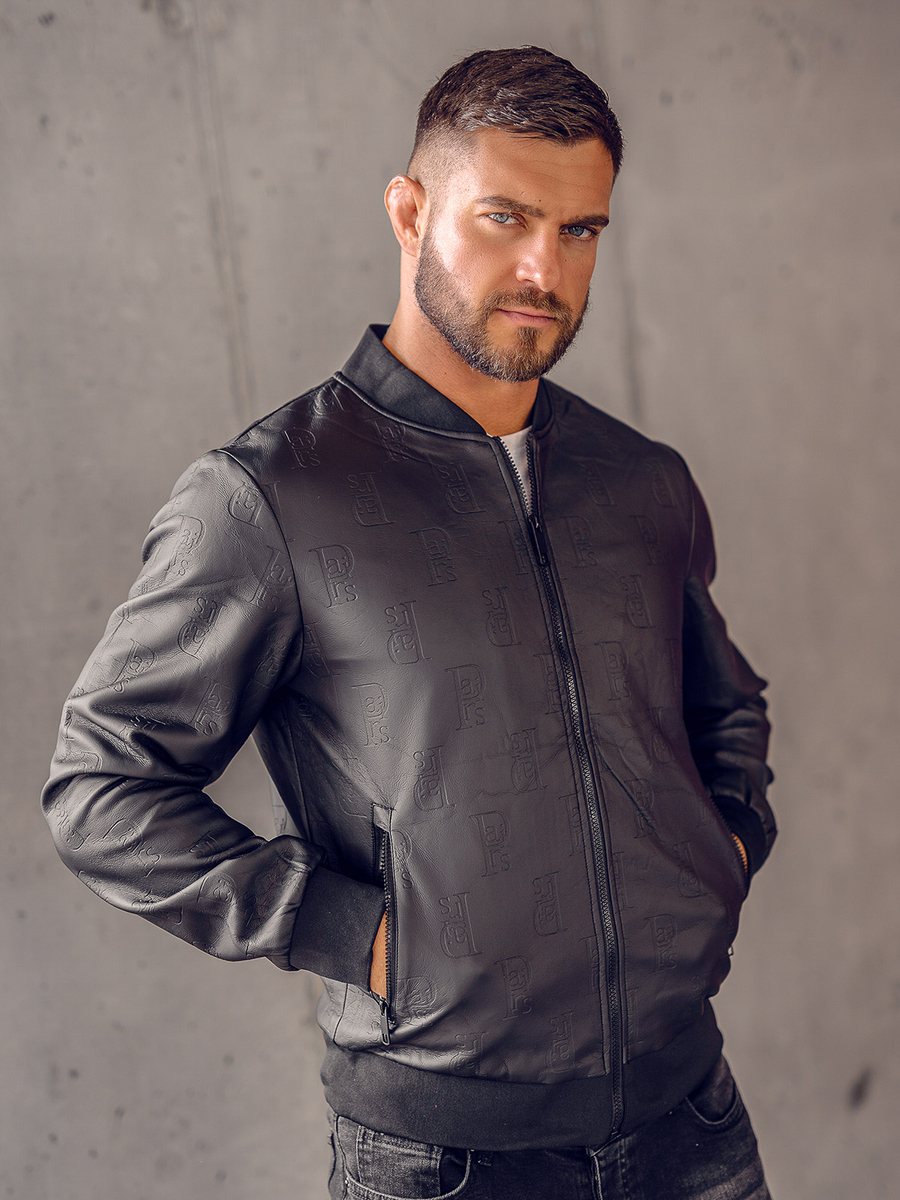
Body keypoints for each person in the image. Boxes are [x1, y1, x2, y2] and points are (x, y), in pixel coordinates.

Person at [43, 46, 776, 1199]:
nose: (543, 268)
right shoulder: (274, 496)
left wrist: (722, 853)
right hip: (441, 1158)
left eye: (580, 230)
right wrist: (356, 935)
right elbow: (101, 787)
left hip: (692, 1122)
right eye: (505, 217)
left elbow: (724, 709)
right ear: (409, 210)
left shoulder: (641, 481)